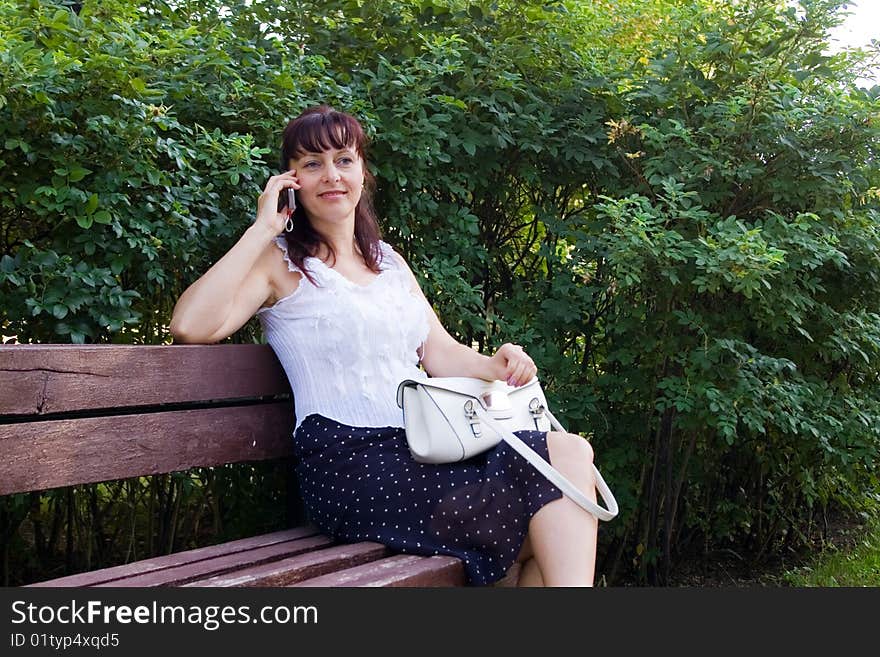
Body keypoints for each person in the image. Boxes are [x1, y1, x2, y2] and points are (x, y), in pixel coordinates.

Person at [170, 105, 600, 586]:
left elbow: (439, 352)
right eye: (312, 164)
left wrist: (494, 364)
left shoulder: (389, 262)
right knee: (550, 521)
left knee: (568, 461)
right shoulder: (279, 264)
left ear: (362, 172)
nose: (331, 175)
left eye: (343, 160)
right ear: (291, 181)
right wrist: (263, 229)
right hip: (349, 463)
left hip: (422, 452)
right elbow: (190, 325)